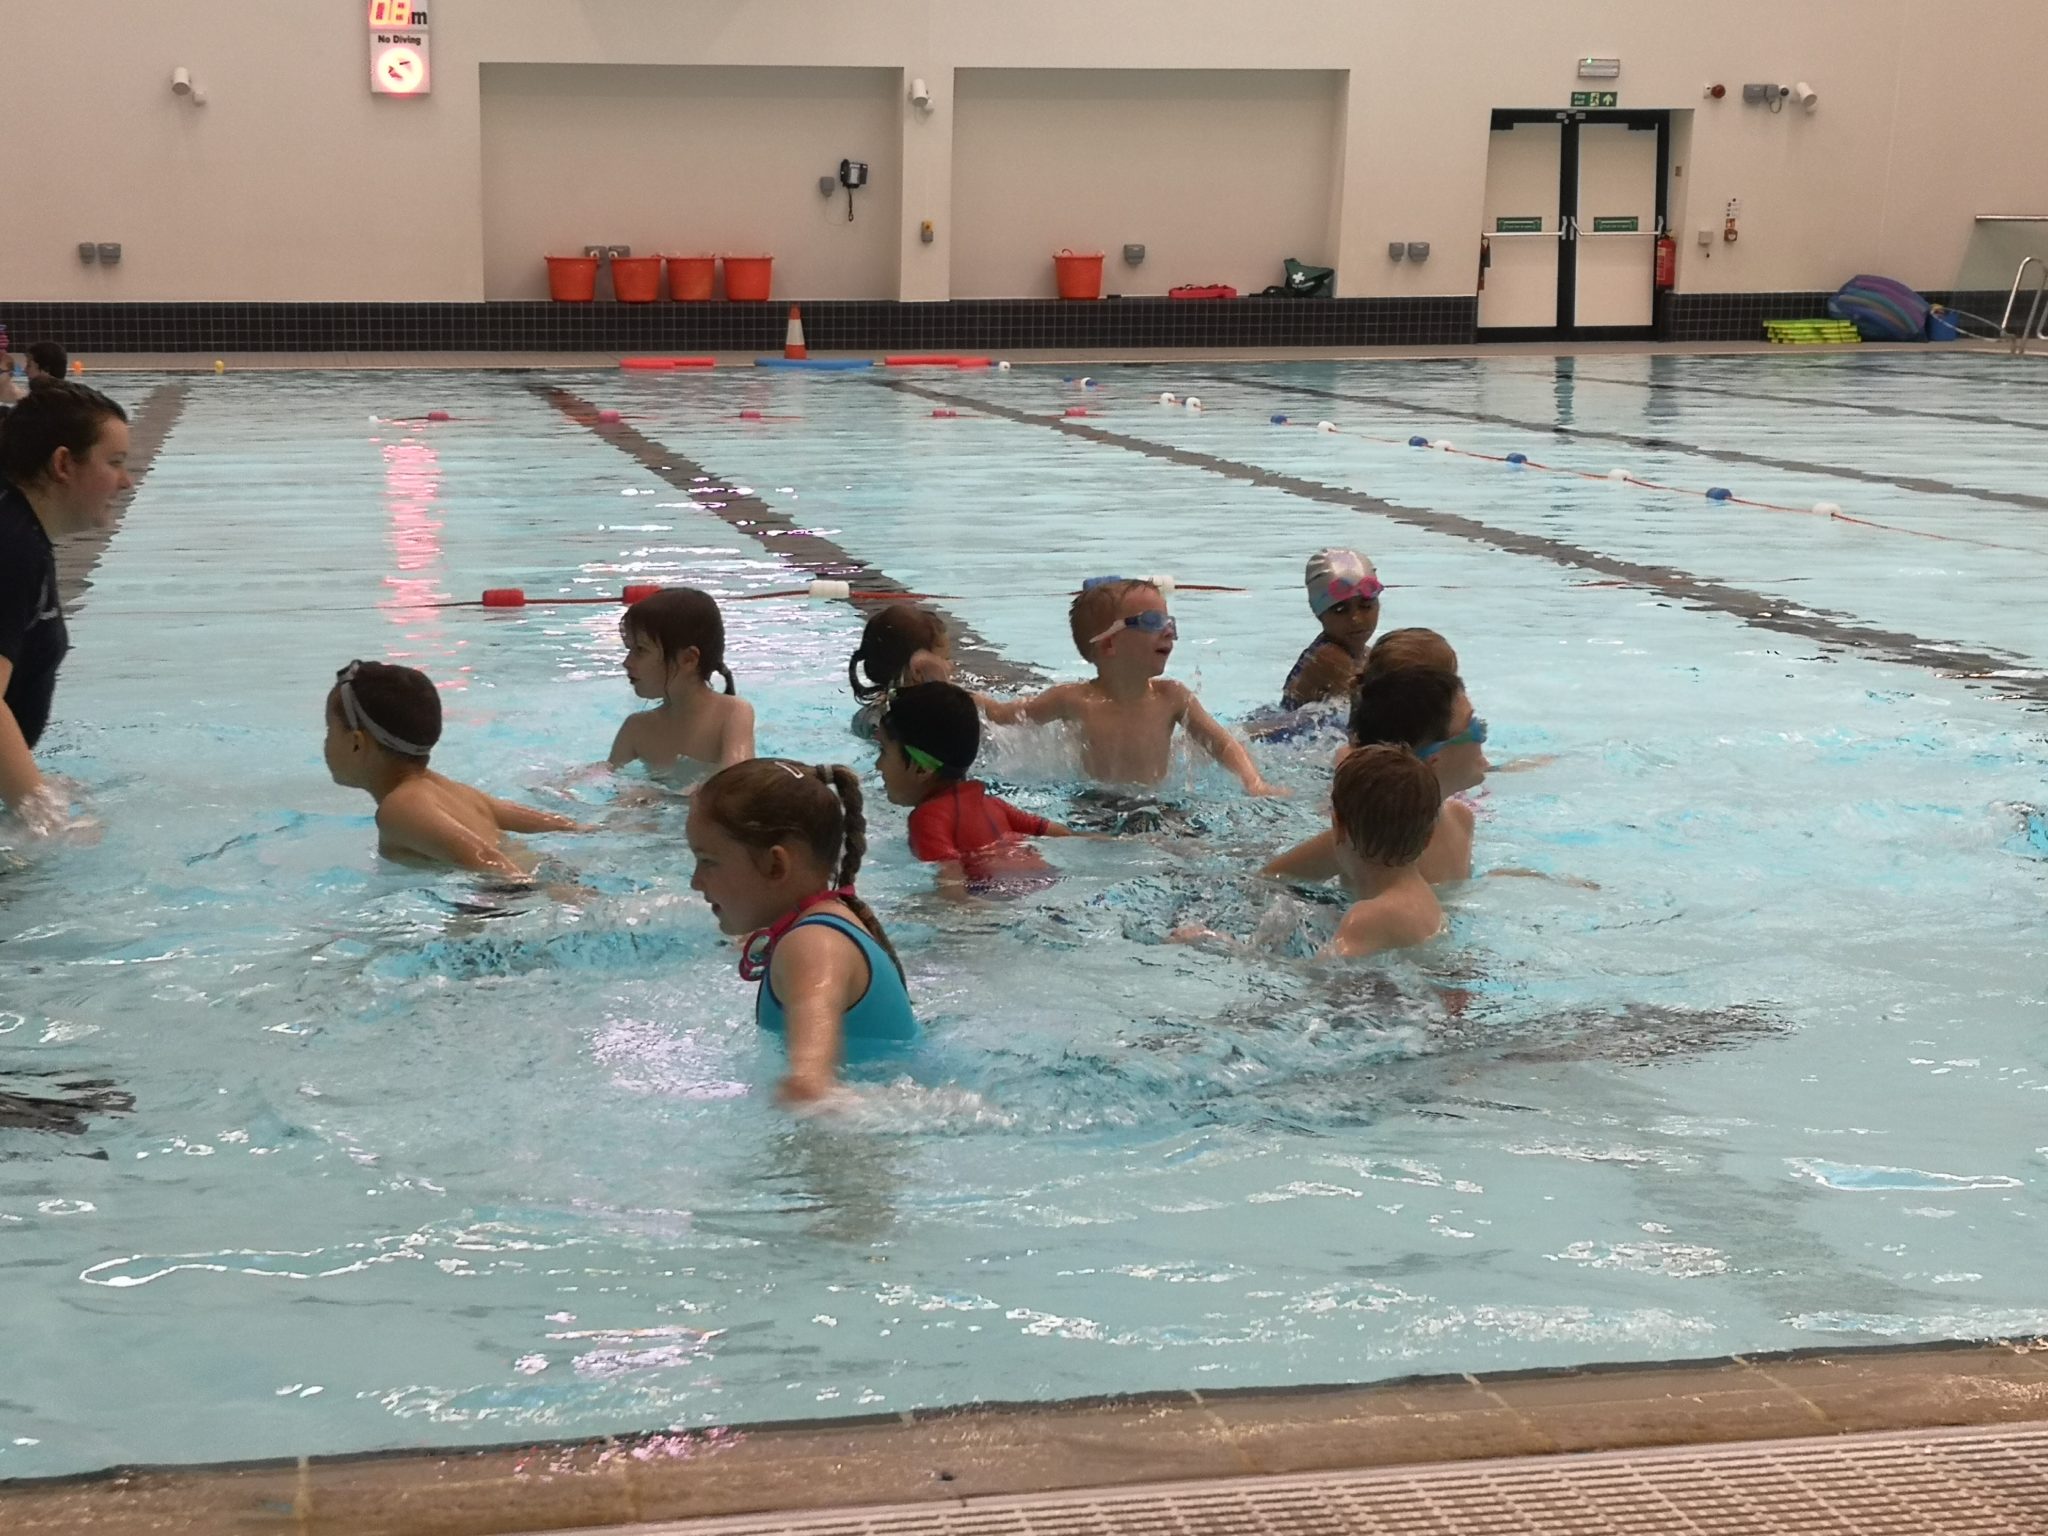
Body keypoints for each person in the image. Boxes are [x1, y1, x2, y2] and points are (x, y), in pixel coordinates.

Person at [688, 758, 916, 1103]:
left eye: (708, 861)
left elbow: (811, 1083)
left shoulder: (812, 943)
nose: (695, 882)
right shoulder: (824, 923)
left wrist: (807, 1078)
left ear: (775, 864)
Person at [979, 577, 1280, 796]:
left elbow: (1222, 743)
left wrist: (1253, 782)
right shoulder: (1073, 699)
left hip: (1160, 803)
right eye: (1152, 622)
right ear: (1109, 644)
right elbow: (1009, 716)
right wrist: (971, 700)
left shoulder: (1172, 696)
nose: (1169, 632)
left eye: (1169, 622)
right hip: (1095, 804)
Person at [0, 382, 132, 835]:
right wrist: (42, 817)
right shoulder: (13, 547)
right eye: (114, 463)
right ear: (62, 464)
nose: (126, 480)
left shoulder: (20, 533)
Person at [325, 659, 586, 876]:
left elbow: (486, 860)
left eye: (330, 730)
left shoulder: (398, 808)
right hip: (548, 874)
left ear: (356, 743)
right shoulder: (455, 791)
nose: (326, 741)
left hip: (510, 904)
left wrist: (532, 892)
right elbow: (556, 824)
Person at [1263, 665, 1487, 887]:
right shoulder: (1368, 842)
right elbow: (1270, 879)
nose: (1483, 732)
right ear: (1434, 758)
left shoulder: (1461, 819)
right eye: (1473, 726)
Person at [876, 681, 1070, 894]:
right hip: (1049, 882)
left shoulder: (927, 819)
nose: (878, 765)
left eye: (883, 751)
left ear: (922, 769)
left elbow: (951, 881)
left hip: (1007, 900)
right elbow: (1060, 834)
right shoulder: (993, 805)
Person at [608, 587, 755, 775]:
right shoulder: (636, 728)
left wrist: (656, 797)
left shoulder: (732, 714)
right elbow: (608, 780)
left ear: (688, 659)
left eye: (641, 650)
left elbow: (736, 786)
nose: (626, 662)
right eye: (629, 650)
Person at [1280, 549, 1383, 710]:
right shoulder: (1331, 658)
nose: (1356, 619)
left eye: (1366, 606)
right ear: (1319, 614)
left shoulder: (1366, 655)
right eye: (1340, 610)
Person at [847, 603, 951, 740]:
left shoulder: (868, 717)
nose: (951, 666)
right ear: (918, 671)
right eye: (945, 659)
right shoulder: (920, 722)